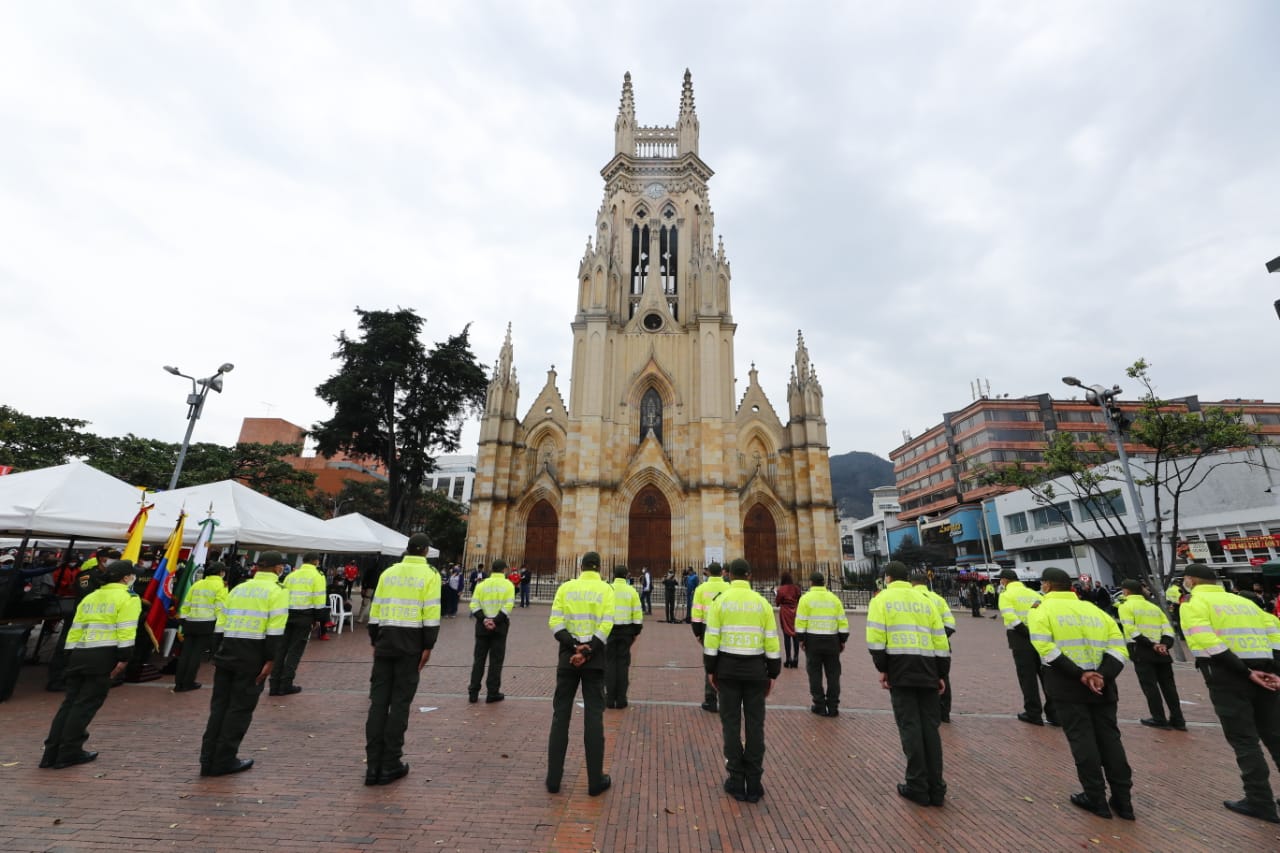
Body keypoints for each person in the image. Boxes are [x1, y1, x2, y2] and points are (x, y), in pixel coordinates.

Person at [1027, 567, 1134, 820]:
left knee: (1082, 739)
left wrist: (1080, 674)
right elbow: (1119, 649)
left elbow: (1045, 648)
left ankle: (1095, 797)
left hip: (1067, 684)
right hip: (1103, 685)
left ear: (1047, 586)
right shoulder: (1095, 611)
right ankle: (1124, 801)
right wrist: (1102, 675)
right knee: (1111, 740)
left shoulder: (1041, 610)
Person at [1179, 562, 1280, 824]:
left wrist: (1245, 672)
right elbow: (1275, 640)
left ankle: (1260, 800)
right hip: (1266, 674)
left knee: (1245, 740)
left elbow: (1209, 643)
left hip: (1228, 677)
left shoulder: (1193, 605)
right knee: (1275, 735)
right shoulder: (1246, 604)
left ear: (1192, 580)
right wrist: (1275, 672)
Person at [41, 560, 142, 769]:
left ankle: (51, 752)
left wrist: (69, 654)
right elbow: (126, 630)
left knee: (69, 703)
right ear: (125, 578)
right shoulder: (129, 598)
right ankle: (69, 751)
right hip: (103, 655)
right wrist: (124, 658)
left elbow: (75, 629)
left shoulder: (90, 597)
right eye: (132, 575)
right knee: (85, 705)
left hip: (79, 653)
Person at [199, 551, 289, 777]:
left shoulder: (238, 588)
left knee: (219, 708)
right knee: (239, 709)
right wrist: (271, 660)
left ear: (258, 567)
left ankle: (207, 759)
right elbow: (275, 630)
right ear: (278, 568)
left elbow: (221, 622)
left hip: (227, 651)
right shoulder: (277, 592)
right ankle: (224, 760)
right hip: (253, 656)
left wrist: (217, 649)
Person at [867, 561, 949, 807]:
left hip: (900, 668)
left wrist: (883, 669)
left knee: (910, 726)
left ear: (888, 578)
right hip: (928, 668)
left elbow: (875, 639)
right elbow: (940, 641)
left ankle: (917, 785)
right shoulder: (926, 600)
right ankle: (937, 787)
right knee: (930, 729)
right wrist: (941, 673)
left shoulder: (881, 600)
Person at [364, 534, 441, 785]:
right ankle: (390, 764)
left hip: (385, 640)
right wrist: (428, 645)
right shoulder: (430, 575)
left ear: (407, 549)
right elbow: (430, 613)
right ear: (426, 551)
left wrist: (375, 639)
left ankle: (372, 766)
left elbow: (375, 610)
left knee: (378, 703)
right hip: (411, 643)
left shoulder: (389, 573)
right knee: (399, 704)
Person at [704, 558, 779, 803]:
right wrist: (773, 673)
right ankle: (754, 782)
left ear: (729, 575)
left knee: (731, 725)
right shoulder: (762, 603)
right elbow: (771, 640)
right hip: (756, 671)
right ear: (748, 576)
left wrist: (710, 669)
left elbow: (712, 639)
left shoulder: (720, 601)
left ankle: (736, 780)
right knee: (756, 725)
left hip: (727, 670)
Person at [546, 551, 614, 796]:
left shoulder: (566, 588)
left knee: (560, 716)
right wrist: (588, 650)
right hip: (594, 659)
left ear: (580, 566)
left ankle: (553, 780)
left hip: (568, 658)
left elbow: (555, 622)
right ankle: (595, 781)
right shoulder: (606, 590)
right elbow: (607, 625)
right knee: (594, 718)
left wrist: (573, 646)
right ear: (599, 568)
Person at [1115, 579, 1184, 731]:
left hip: (1141, 649)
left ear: (1126, 591)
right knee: (1169, 687)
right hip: (1162, 652)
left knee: (1150, 686)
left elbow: (1131, 629)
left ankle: (1159, 718)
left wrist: (1151, 644)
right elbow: (1168, 629)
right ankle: (1178, 719)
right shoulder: (1154, 608)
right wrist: (1164, 644)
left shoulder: (1125, 606)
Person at [998, 569, 1057, 726]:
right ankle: (1054, 713)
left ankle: (1033, 713)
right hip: (1041, 637)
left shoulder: (1006, 596)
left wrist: (1026, 632)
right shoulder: (1035, 594)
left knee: (1027, 678)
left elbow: (1010, 617)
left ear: (1004, 580)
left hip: (1020, 639)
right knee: (1046, 675)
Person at [270, 553, 325, 696]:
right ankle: (286, 684)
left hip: (287, 614)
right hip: (304, 616)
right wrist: (318, 619)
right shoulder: (317, 576)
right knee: (295, 651)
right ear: (315, 561)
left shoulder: (291, 575)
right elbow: (319, 600)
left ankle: (274, 684)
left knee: (281, 649)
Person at [795, 571, 848, 717]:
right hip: (832, 641)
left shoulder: (805, 599)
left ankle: (819, 704)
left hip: (813, 641)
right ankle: (833, 706)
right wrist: (842, 639)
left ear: (811, 582)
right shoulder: (834, 599)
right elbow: (842, 621)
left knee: (815, 674)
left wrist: (801, 639)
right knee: (833, 674)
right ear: (824, 583)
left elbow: (801, 622)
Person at [173, 561, 228, 692]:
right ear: (221, 573)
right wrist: (220, 629)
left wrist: (183, 619)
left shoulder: (197, 584)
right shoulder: (221, 586)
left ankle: (178, 682)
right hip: (207, 623)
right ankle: (188, 682)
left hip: (190, 622)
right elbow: (220, 609)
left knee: (186, 653)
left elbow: (186, 603)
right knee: (196, 655)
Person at [911, 571, 957, 723]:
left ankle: (925, 712)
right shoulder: (938, 599)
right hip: (940, 647)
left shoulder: (910, 599)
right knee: (942, 678)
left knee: (918, 678)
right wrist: (938, 636)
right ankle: (944, 713)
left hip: (917, 646)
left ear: (912, 583)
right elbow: (950, 624)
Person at [469, 558, 515, 703]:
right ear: (504, 570)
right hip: (499, 626)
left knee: (479, 660)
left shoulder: (482, 585)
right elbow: (508, 606)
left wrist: (484, 619)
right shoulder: (508, 585)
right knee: (496, 661)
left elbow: (474, 605)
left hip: (482, 626)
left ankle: (473, 692)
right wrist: (495, 621)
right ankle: (492, 692)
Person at [691, 563, 729, 712]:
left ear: (708, 573)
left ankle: (710, 700)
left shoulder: (701, 589)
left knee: (710, 664)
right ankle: (726, 699)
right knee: (725, 662)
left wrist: (698, 634)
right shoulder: (729, 588)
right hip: (725, 629)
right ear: (722, 573)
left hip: (707, 629)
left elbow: (696, 614)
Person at [606, 564, 644, 709]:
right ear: (627, 575)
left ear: (613, 575)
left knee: (609, 664)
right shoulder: (631, 591)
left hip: (609, 631)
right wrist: (635, 632)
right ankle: (621, 699)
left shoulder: (607, 590)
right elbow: (638, 614)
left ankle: (609, 699)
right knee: (622, 665)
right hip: (626, 632)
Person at [774, 572, 802, 669]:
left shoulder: (781, 589)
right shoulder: (796, 588)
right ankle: (796, 658)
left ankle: (788, 658)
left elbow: (777, 603)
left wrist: (776, 594)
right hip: (795, 612)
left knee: (787, 636)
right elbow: (799, 599)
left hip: (785, 613)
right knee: (795, 636)